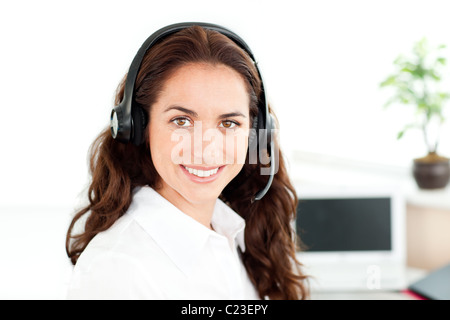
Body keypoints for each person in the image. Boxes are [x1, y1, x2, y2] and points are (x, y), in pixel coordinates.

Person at [65, 22, 308, 300]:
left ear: (255, 134)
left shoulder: (235, 233)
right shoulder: (118, 271)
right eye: (182, 121)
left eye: (228, 123)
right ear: (138, 127)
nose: (207, 149)